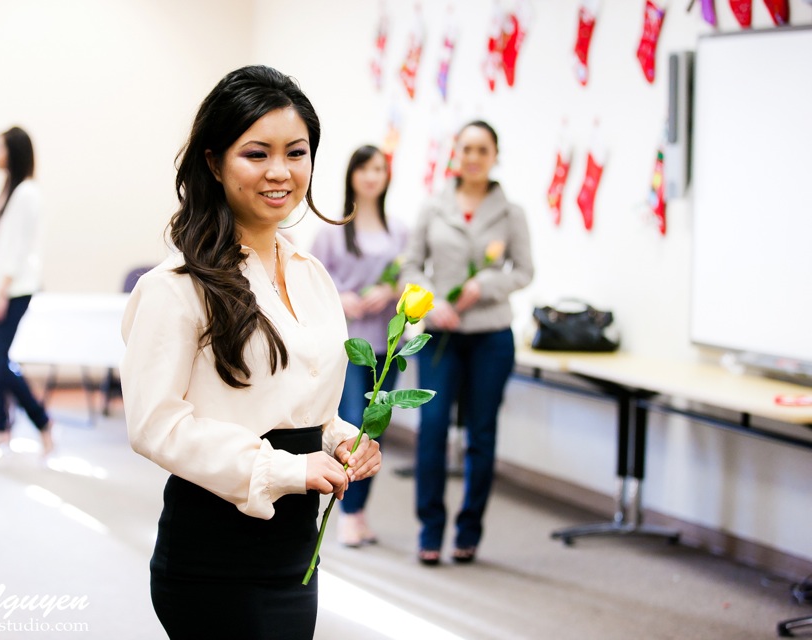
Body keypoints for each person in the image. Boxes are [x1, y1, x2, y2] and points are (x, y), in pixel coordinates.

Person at [120, 65, 382, 640]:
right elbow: (154, 425)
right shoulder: (175, 285)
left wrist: (343, 440)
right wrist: (287, 468)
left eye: (296, 152)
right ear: (214, 163)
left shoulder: (313, 276)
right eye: (256, 153)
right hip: (213, 559)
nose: (280, 172)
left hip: (294, 556)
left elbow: (296, 403)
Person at [401, 120, 533, 566]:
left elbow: (523, 271)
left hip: (491, 338)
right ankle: (430, 528)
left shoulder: (510, 212)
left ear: (495, 156)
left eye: (482, 149)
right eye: (466, 149)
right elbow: (411, 268)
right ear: (455, 154)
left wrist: (488, 283)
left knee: (481, 434)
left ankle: (470, 529)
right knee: (433, 428)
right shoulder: (432, 208)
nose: (473, 157)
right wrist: (432, 301)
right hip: (442, 336)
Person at [310, 145, 407, 548]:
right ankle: (347, 513)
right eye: (364, 168)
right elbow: (310, 283)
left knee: (376, 428)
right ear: (351, 175)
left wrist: (392, 289)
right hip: (349, 346)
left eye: (379, 169)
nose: (371, 176)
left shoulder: (400, 231)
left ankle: (360, 512)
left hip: (387, 344)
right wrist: (342, 297)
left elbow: (411, 277)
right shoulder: (330, 232)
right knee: (352, 423)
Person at [0, 126, 53, 467]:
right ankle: (0, 432)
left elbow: (17, 250)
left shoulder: (26, 194)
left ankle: (42, 422)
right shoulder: (7, 190)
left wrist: (1, 291)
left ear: (14, 153)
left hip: (13, 289)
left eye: (0, 148)